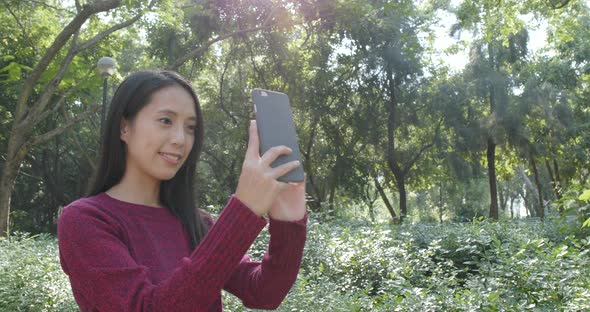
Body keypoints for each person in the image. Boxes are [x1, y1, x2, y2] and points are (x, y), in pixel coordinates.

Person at [57, 70, 307, 311]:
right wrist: (243, 211)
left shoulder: (196, 222)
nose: (180, 139)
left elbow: (264, 291)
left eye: (190, 127)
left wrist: (290, 220)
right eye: (166, 121)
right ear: (124, 127)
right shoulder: (85, 221)